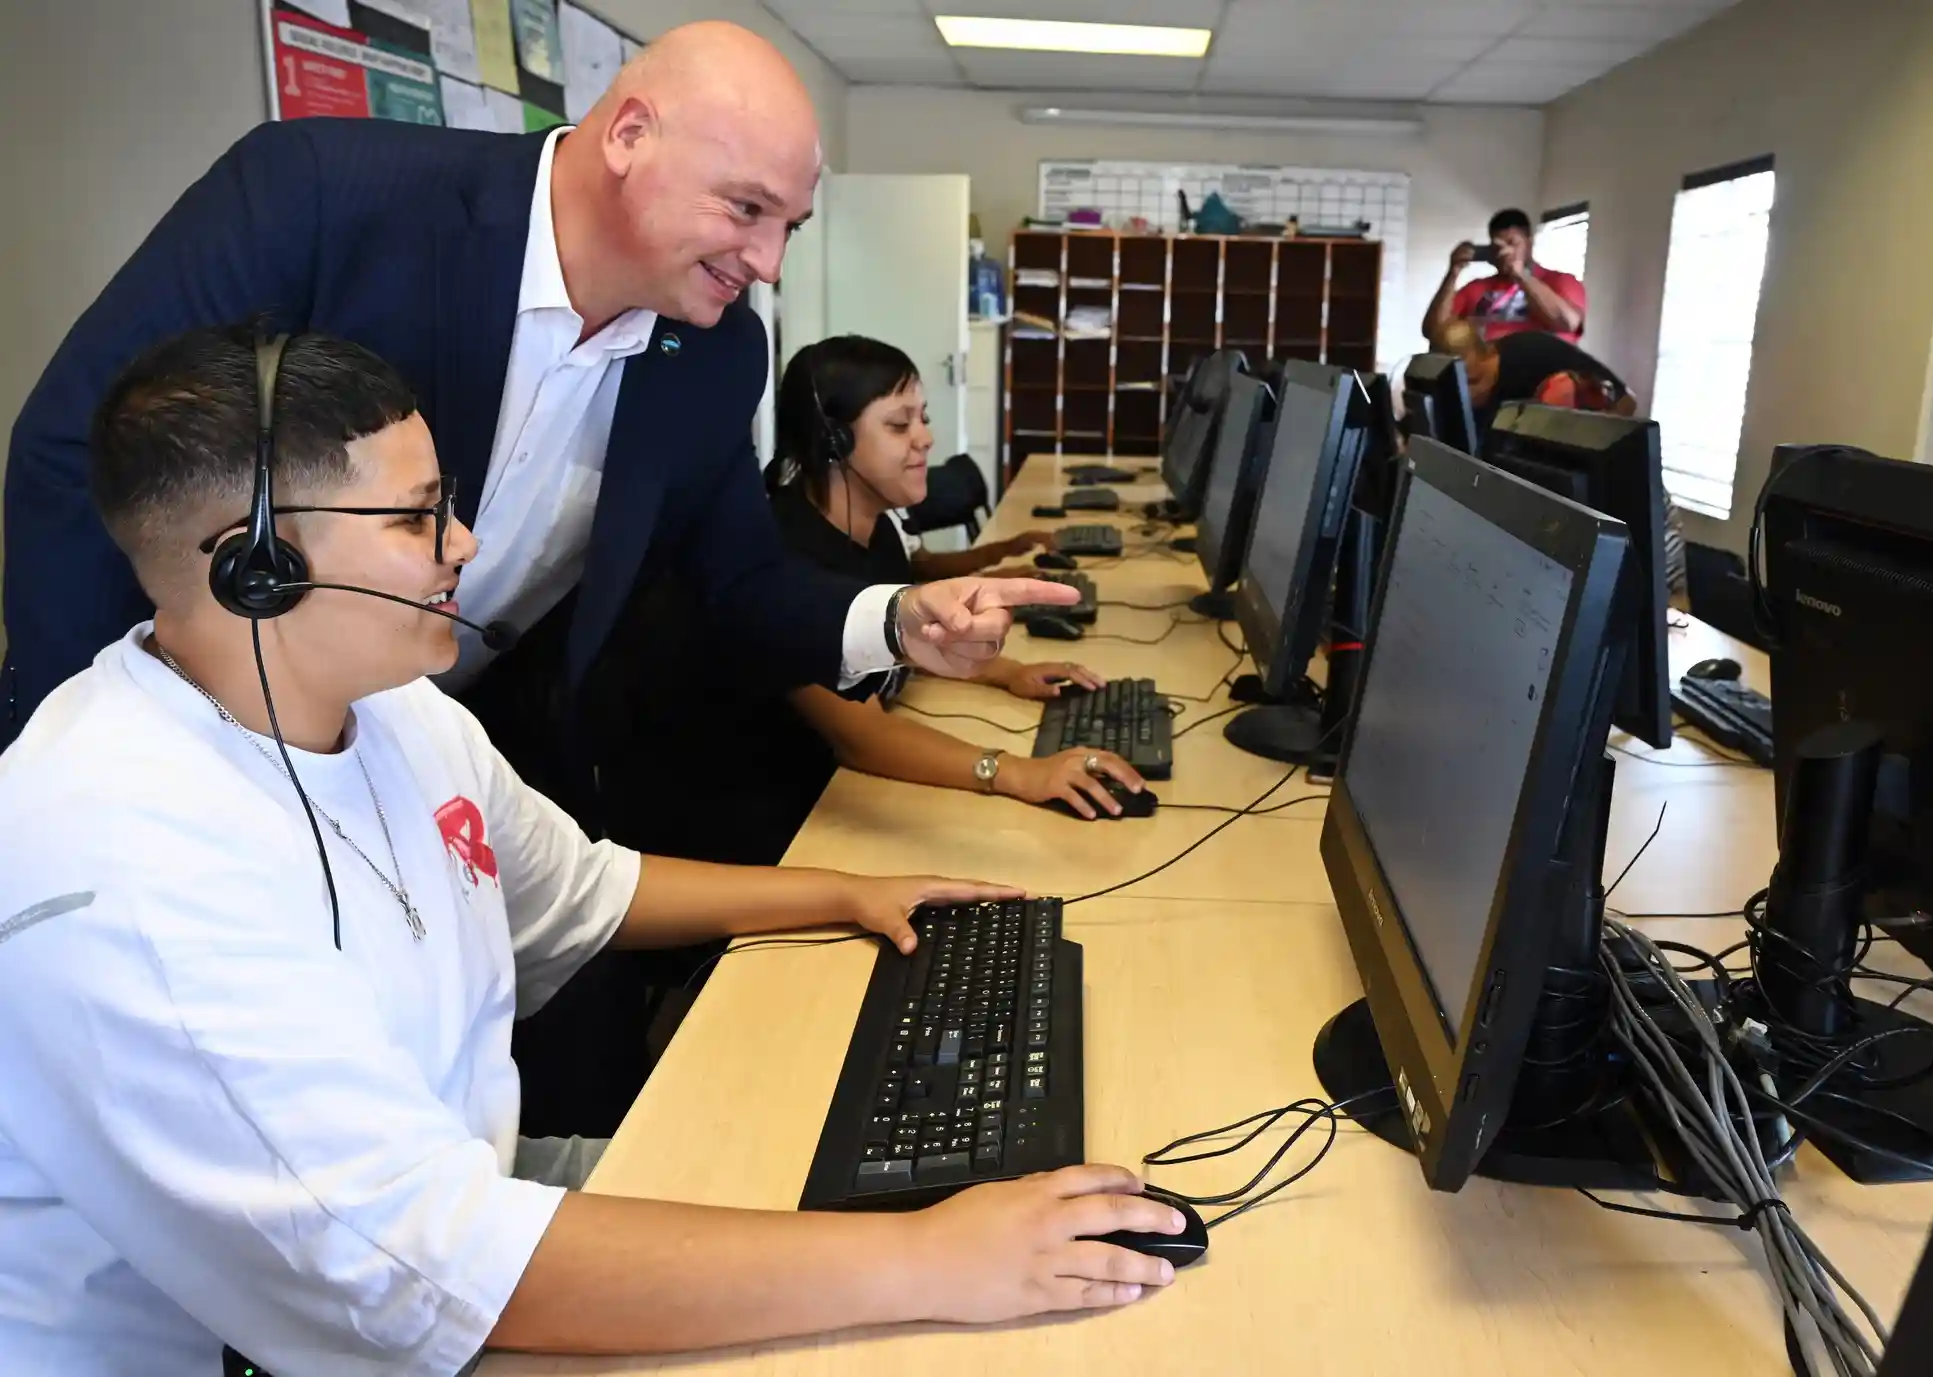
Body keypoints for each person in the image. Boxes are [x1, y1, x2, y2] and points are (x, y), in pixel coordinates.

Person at [0, 325, 1183, 1374]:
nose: (464, 541)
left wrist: (850, 891)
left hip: (452, 1212)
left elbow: (584, 888)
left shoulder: (399, 711)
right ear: (254, 563)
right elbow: (410, 1267)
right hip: (290, 1330)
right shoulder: (126, 869)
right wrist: (932, 1262)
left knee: (850, 1188)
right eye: (418, 517)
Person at [1, 20, 1070, 808]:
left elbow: (737, 580)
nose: (768, 261)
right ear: (630, 137)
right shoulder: (321, 196)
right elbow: (73, 455)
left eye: (789, 223)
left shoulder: (711, 348)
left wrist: (893, 620)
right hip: (183, 744)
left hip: (463, 758)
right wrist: (111, 764)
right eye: (745, 210)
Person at [604, 337, 1150, 870]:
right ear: (833, 441)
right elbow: (859, 736)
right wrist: (1016, 774)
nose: (926, 439)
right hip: (747, 836)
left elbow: (902, 644)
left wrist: (1005, 673)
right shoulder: (782, 559)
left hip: (820, 802)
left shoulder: (877, 534)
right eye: (898, 424)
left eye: (923, 417)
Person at [1426, 320, 1686, 597]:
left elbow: (1626, 401)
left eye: (1475, 380)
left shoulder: (1535, 354)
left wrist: (1595, 442)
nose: (1471, 394)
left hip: (1632, 510)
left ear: (1490, 354)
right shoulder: (1460, 404)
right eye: (1460, 386)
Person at [1424, 208, 1587, 345]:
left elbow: (1567, 323)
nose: (1504, 252)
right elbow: (1433, 332)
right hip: (1484, 375)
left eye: (1513, 243)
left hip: (1541, 376)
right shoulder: (1476, 288)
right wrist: (1453, 272)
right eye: (1498, 246)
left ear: (1529, 243)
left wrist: (1520, 275)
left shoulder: (1561, 281)